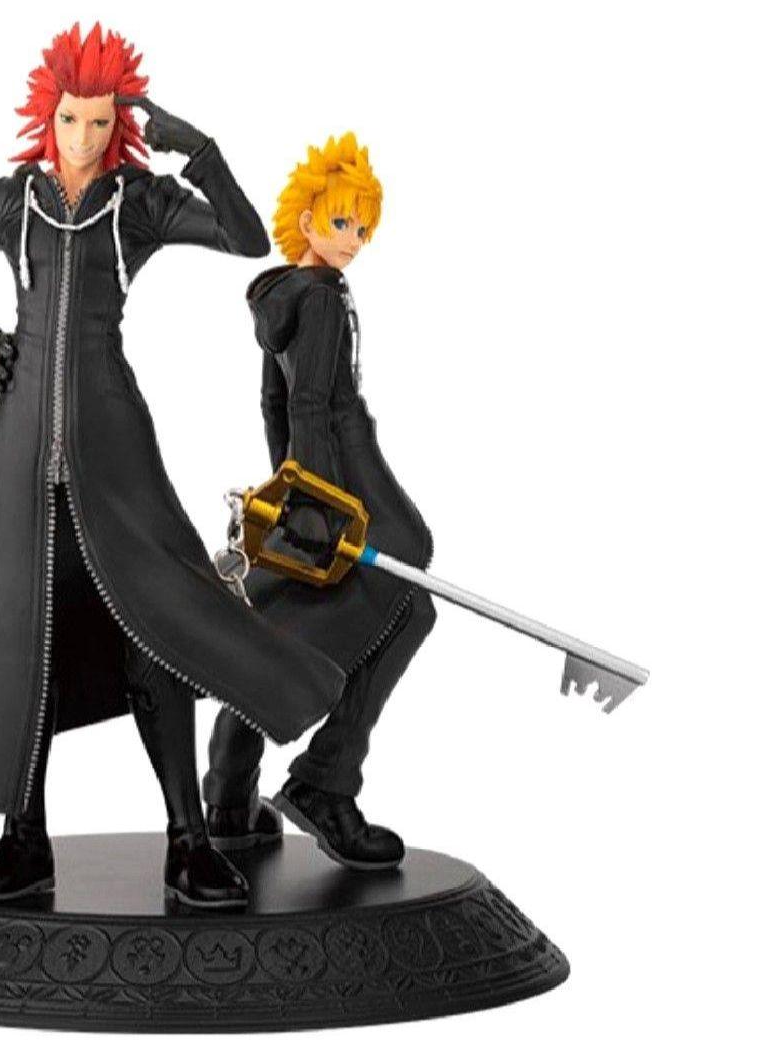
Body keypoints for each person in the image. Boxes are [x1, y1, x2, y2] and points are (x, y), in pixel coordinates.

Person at [0, 24, 344, 907]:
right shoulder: (9, 202)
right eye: (70, 119)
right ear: (47, 117)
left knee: (160, 619)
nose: (83, 138)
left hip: (115, 447)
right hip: (20, 452)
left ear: (120, 126)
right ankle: (23, 837)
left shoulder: (137, 204)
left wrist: (199, 150)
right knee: (24, 634)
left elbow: (245, 237)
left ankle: (189, 839)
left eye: (100, 122)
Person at [203, 133, 436, 870]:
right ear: (306, 219)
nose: (354, 241)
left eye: (363, 228)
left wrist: (291, 488)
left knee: (291, 620)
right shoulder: (324, 299)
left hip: (313, 474)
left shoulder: (281, 297)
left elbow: (272, 403)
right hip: (343, 467)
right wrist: (322, 506)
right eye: (341, 223)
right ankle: (325, 783)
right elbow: (306, 402)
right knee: (408, 587)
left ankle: (229, 794)